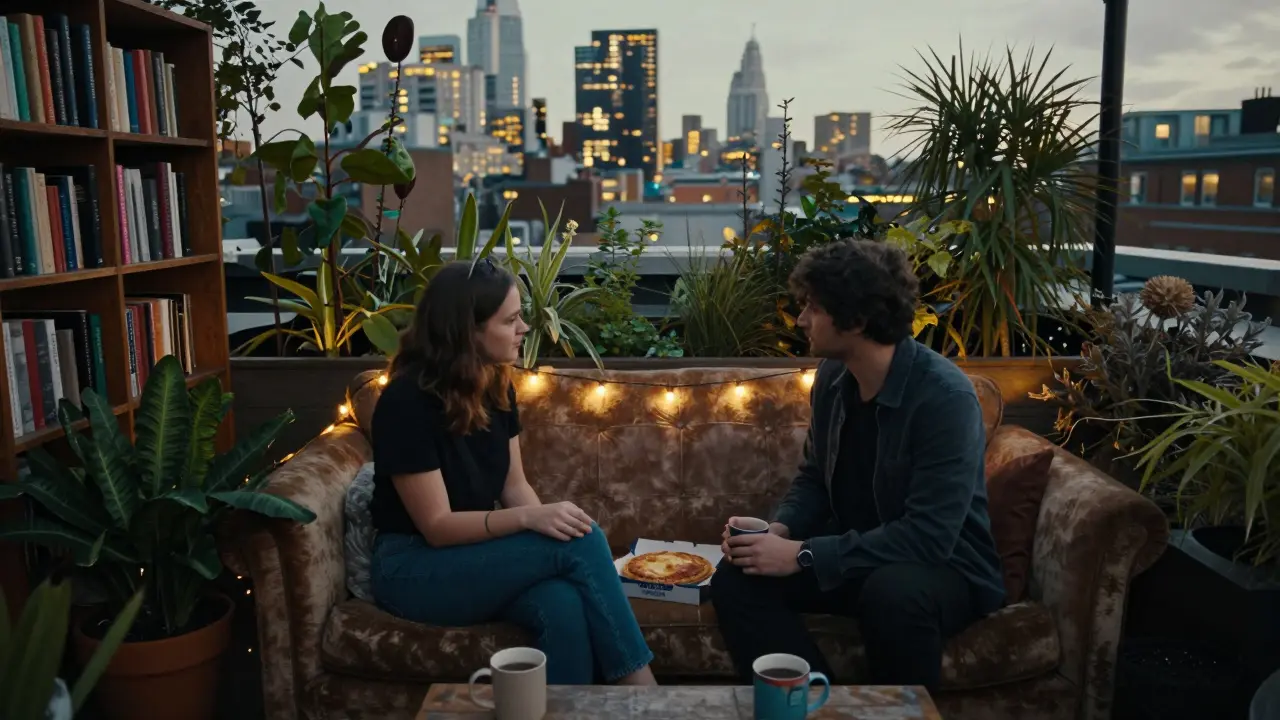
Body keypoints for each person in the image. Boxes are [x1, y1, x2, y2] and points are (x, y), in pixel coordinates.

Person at [711, 239, 1006, 691]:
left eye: (813, 306)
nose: (802, 319)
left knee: (893, 593)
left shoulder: (945, 399)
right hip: (858, 558)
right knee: (737, 577)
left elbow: (929, 537)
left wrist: (805, 554)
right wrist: (781, 532)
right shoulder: (832, 379)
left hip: (943, 569)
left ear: (857, 318)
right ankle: (816, 704)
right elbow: (815, 476)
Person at [368, 259, 657, 686]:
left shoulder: (497, 386)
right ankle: (647, 696)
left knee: (562, 601)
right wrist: (530, 522)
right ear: (469, 331)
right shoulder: (405, 402)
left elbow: (515, 487)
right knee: (584, 542)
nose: (524, 327)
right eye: (511, 319)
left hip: (470, 557)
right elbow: (437, 526)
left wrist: (546, 533)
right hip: (411, 568)